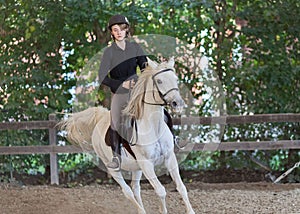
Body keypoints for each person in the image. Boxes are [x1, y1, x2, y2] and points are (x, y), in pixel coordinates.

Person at [98, 14, 148, 171]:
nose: (119, 32)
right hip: (119, 92)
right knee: (115, 120)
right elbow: (102, 77)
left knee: (160, 108)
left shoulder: (136, 48)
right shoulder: (109, 52)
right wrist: (121, 84)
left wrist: (139, 81)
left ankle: (173, 139)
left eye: (122, 29)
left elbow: (145, 68)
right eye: (115, 29)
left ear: (127, 30)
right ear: (112, 33)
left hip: (136, 91)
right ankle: (116, 157)